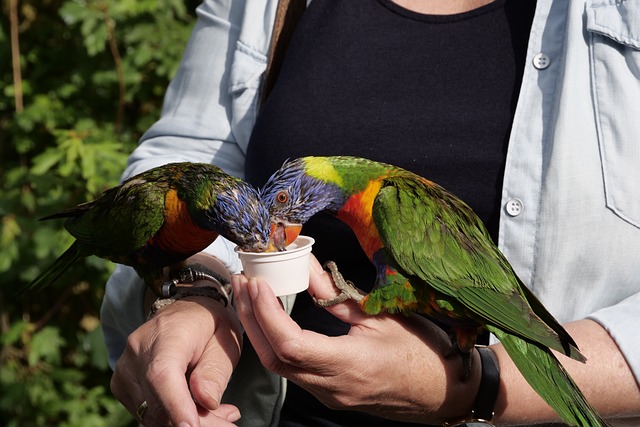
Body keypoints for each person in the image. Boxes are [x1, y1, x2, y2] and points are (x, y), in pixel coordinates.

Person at [102, 0, 640, 425]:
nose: (283, 227)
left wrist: (474, 384)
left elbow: (444, 287)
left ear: (325, 185)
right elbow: (189, 155)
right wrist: (201, 289)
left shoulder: (386, 203)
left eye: (288, 209)